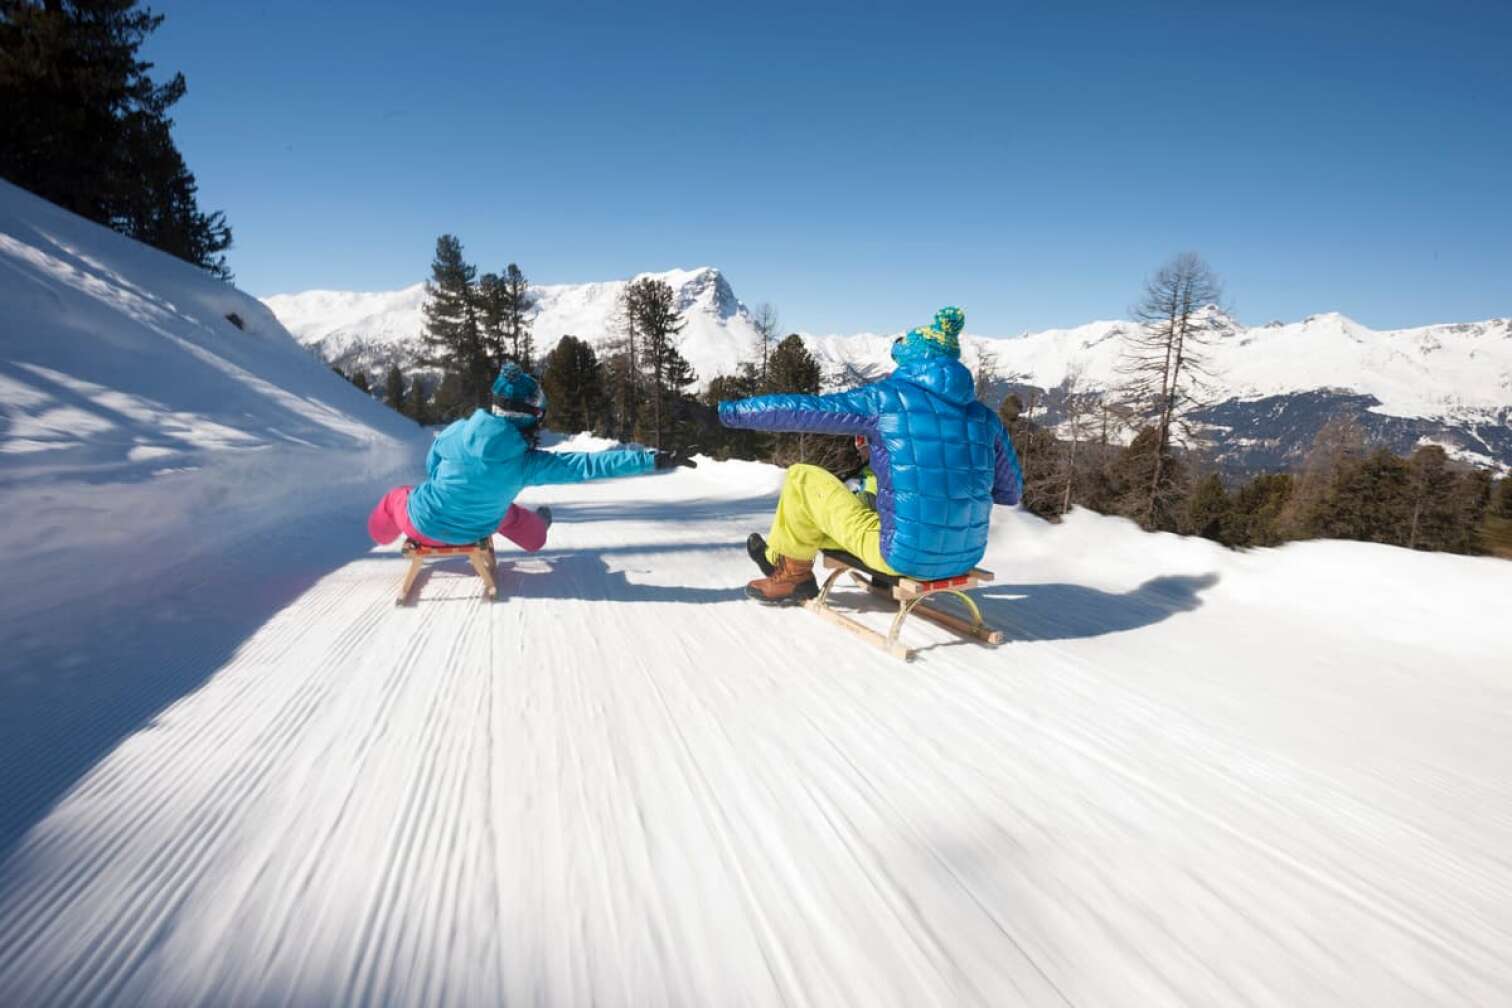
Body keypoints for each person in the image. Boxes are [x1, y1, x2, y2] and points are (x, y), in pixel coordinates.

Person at [720, 306, 1022, 604]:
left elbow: (801, 410)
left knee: (802, 477)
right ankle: (778, 556)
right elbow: (1010, 493)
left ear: (910, 359)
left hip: (900, 556)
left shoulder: (886, 400)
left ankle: (792, 575)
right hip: (965, 555)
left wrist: (726, 414)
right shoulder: (986, 418)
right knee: (871, 496)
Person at [368, 363, 694, 550]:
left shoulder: (455, 432)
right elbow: (588, 466)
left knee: (396, 497)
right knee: (509, 513)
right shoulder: (527, 462)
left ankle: (380, 536)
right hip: (479, 528)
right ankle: (539, 525)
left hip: (421, 523)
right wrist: (652, 459)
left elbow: (432, 467)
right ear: (529, 416)